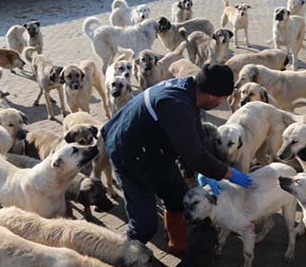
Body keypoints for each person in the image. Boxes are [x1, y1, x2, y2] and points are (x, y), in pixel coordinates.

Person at [101, 64, 253, 252]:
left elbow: (193, 137)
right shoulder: (176, 104)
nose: (222, 103)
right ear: (212, 96)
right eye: (223, 99)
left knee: (177, 198)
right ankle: (120, 258)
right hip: (128, 152)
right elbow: (194, 154)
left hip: (153, 148)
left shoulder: (190, 91)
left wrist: (204, 171)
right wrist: (227, 173)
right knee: (144, 226)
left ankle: (178, 245)